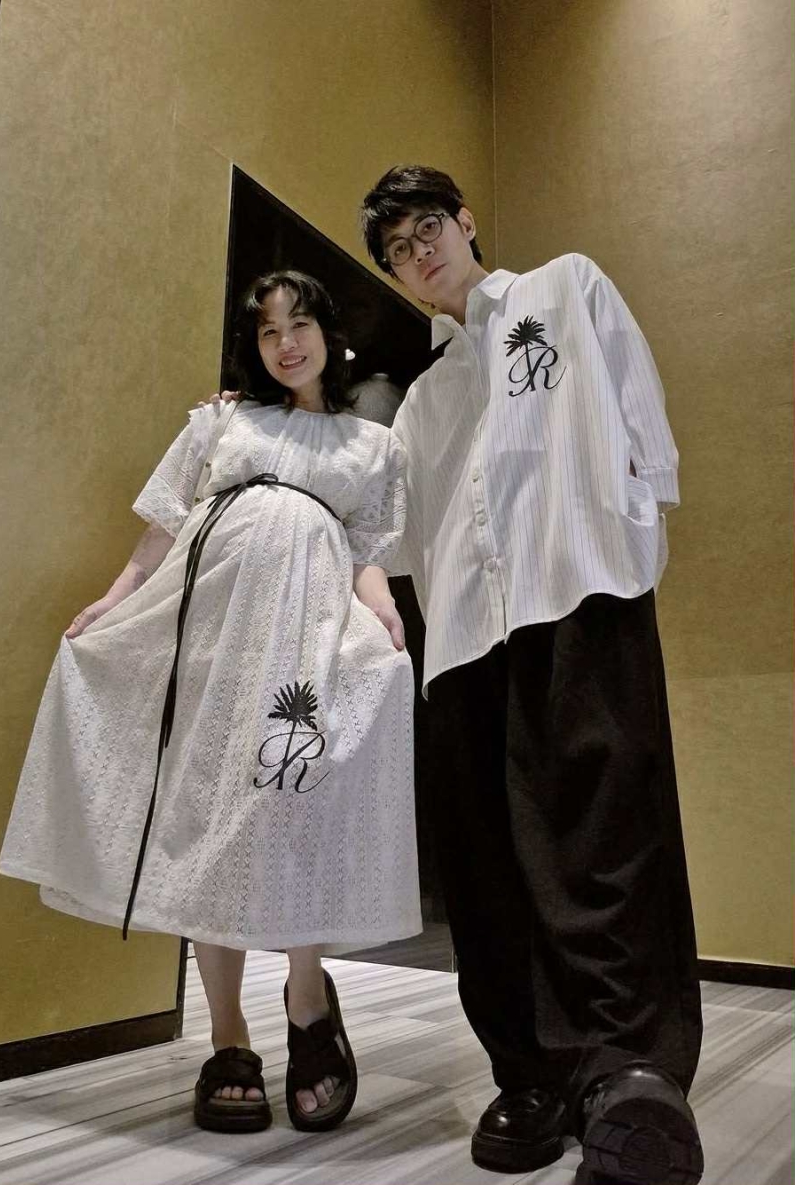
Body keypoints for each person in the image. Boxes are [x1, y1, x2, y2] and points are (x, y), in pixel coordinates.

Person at [0, 270, 421, 1135]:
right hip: (208, 633)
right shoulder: (221, 422)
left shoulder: (369, 445)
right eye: (268, 332)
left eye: (299, 325)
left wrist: (382, 609)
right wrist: (113, 599)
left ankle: (307, 997)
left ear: (327, 333)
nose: (285, 343)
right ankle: (228, 1036)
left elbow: (366, 550)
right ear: (253, 347)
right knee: (206, 818)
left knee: (293, 803)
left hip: (304, 633)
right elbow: (162, 524)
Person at [360, 166, 704, 1185]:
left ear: (465, 222)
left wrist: (634, 529)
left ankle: (630, 1070)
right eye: (398, 250)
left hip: (578, 589)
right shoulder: (420, 403)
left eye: (427, 227)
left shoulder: (564, 287)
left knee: (604, 836)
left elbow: (637, 416)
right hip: (465, 639)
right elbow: (394, 540)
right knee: (489, 869)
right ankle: (529, 1073)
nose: (419, 253)